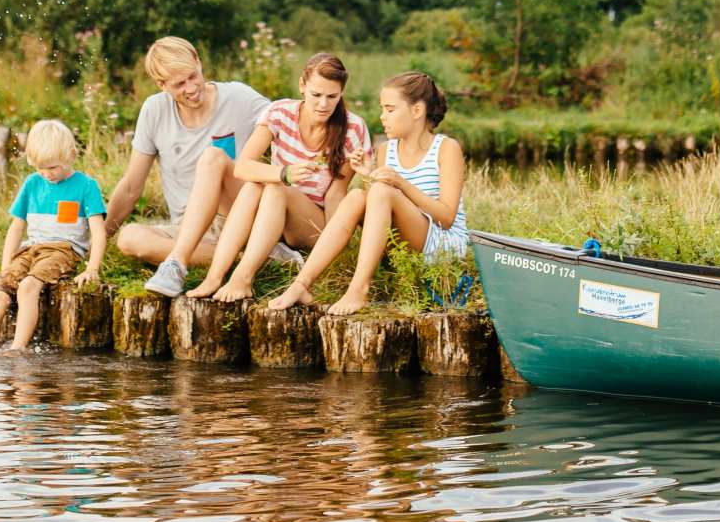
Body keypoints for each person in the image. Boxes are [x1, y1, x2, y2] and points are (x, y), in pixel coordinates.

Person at [268, 70, 468, 316]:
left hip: (440, 244)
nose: (382, 116)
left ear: (417, 111)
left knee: (382, 191)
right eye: (382, 109)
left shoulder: (446, 149)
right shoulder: (386, 149)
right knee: (355, 197)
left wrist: (400, 184)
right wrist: (368, 175)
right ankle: (302, 284)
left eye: (390, 109)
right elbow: (381, 207)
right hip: (403, 243)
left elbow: (446, 217)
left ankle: (358, 289)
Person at [186, 53, 371, 302]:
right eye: (316, 95)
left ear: (341, 93)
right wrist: (286, 173)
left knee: (275, 189)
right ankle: (214, 277)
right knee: (254, 187)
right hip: (270, 215)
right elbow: (243, 166)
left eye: (332, 96)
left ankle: (243, 279)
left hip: (312, 225)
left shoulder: (353, 128)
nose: (323, 104)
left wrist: (332, 243)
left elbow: (337, 192)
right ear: (302, 86)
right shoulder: (280, 112)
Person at [101, 36, 271, 297]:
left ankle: (178, 263)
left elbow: (288, 120)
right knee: (129, 238)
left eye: (194, 76)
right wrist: (99, 240)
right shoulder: (155, 110)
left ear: (198, 62)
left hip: (237, 214)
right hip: (189, 229)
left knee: (213, 158)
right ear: (161, 84)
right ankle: (252, 257)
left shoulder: (238, 97)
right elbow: (132, 186)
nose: (192, 88)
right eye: (180, 84)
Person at [0, 120, 106, 349]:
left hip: (63, 249)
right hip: (31, 248)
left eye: (53, 167)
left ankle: (17, 350)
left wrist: (92, 268)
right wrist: (6, 265)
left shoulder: (86, 185)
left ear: (71, 155)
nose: (46, 174)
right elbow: (16, 227)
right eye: (40, 168)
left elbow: (98, 230)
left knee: (27, 286)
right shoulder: (32, 183)